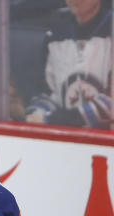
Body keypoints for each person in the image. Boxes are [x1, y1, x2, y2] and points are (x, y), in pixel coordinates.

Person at [25, 0, 112, 128]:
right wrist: (36, 114)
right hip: (65, 141)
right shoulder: (55, 34)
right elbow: (46, 93)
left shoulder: (110, 30)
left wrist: (54, 120)